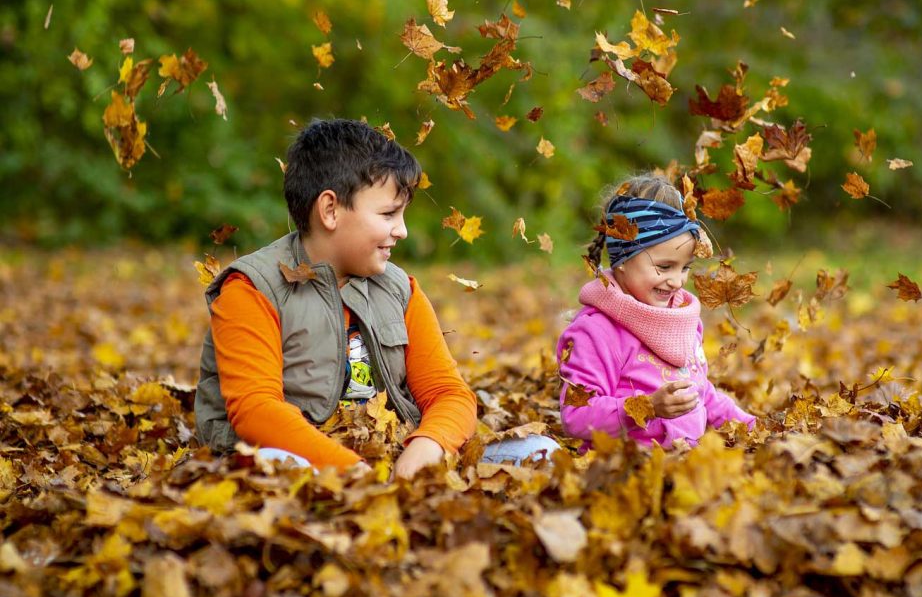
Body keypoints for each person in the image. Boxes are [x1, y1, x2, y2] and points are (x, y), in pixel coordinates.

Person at [195, 118, 557, 478]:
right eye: (388, 214)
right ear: (330, 210)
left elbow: (449, 392)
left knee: (542, 451)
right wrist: (354, 472)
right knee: (277, 463)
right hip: (308, 463)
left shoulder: (399, 289)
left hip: (397, 456)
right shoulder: (253, 289)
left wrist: (428, 446)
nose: (402, 231)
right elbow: (257, 411)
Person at [557, 172, 755, 450]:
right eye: (664, 267)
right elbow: (576, 416)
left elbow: (700, 392)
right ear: (622, 258)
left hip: (685, 464)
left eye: (684, 267)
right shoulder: (597, 330)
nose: (677, 281)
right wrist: (646, 408)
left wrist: (751, 427)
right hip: (627, 468)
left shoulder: (681, 318)